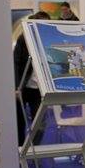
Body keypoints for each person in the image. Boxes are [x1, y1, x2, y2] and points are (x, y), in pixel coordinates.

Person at [14, 11, 51, 147]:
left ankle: (33, 149)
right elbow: (16, 63)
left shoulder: (49, 41)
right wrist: (16, 86)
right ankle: (19, 148)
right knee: (19, 121)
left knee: (40, 122)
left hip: (39, 89)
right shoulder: (24, 39)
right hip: (23, 87)